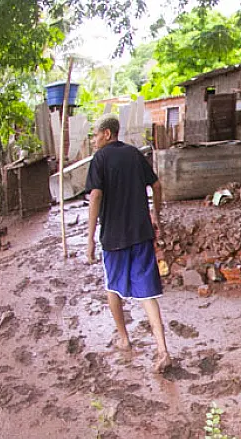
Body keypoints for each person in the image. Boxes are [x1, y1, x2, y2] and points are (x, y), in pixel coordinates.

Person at [84, 115, 172, 373]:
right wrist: (156, 214)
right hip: (141, 233)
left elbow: (96, 195)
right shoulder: (135, 154)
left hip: (114, 238)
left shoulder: (99, 160)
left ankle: (124, 338)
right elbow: (156, 185)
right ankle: (163, 350)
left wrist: (89, 238)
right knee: (147, 293)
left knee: (113, 288)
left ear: (108, 134)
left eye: (96, 134)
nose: (93, 139)